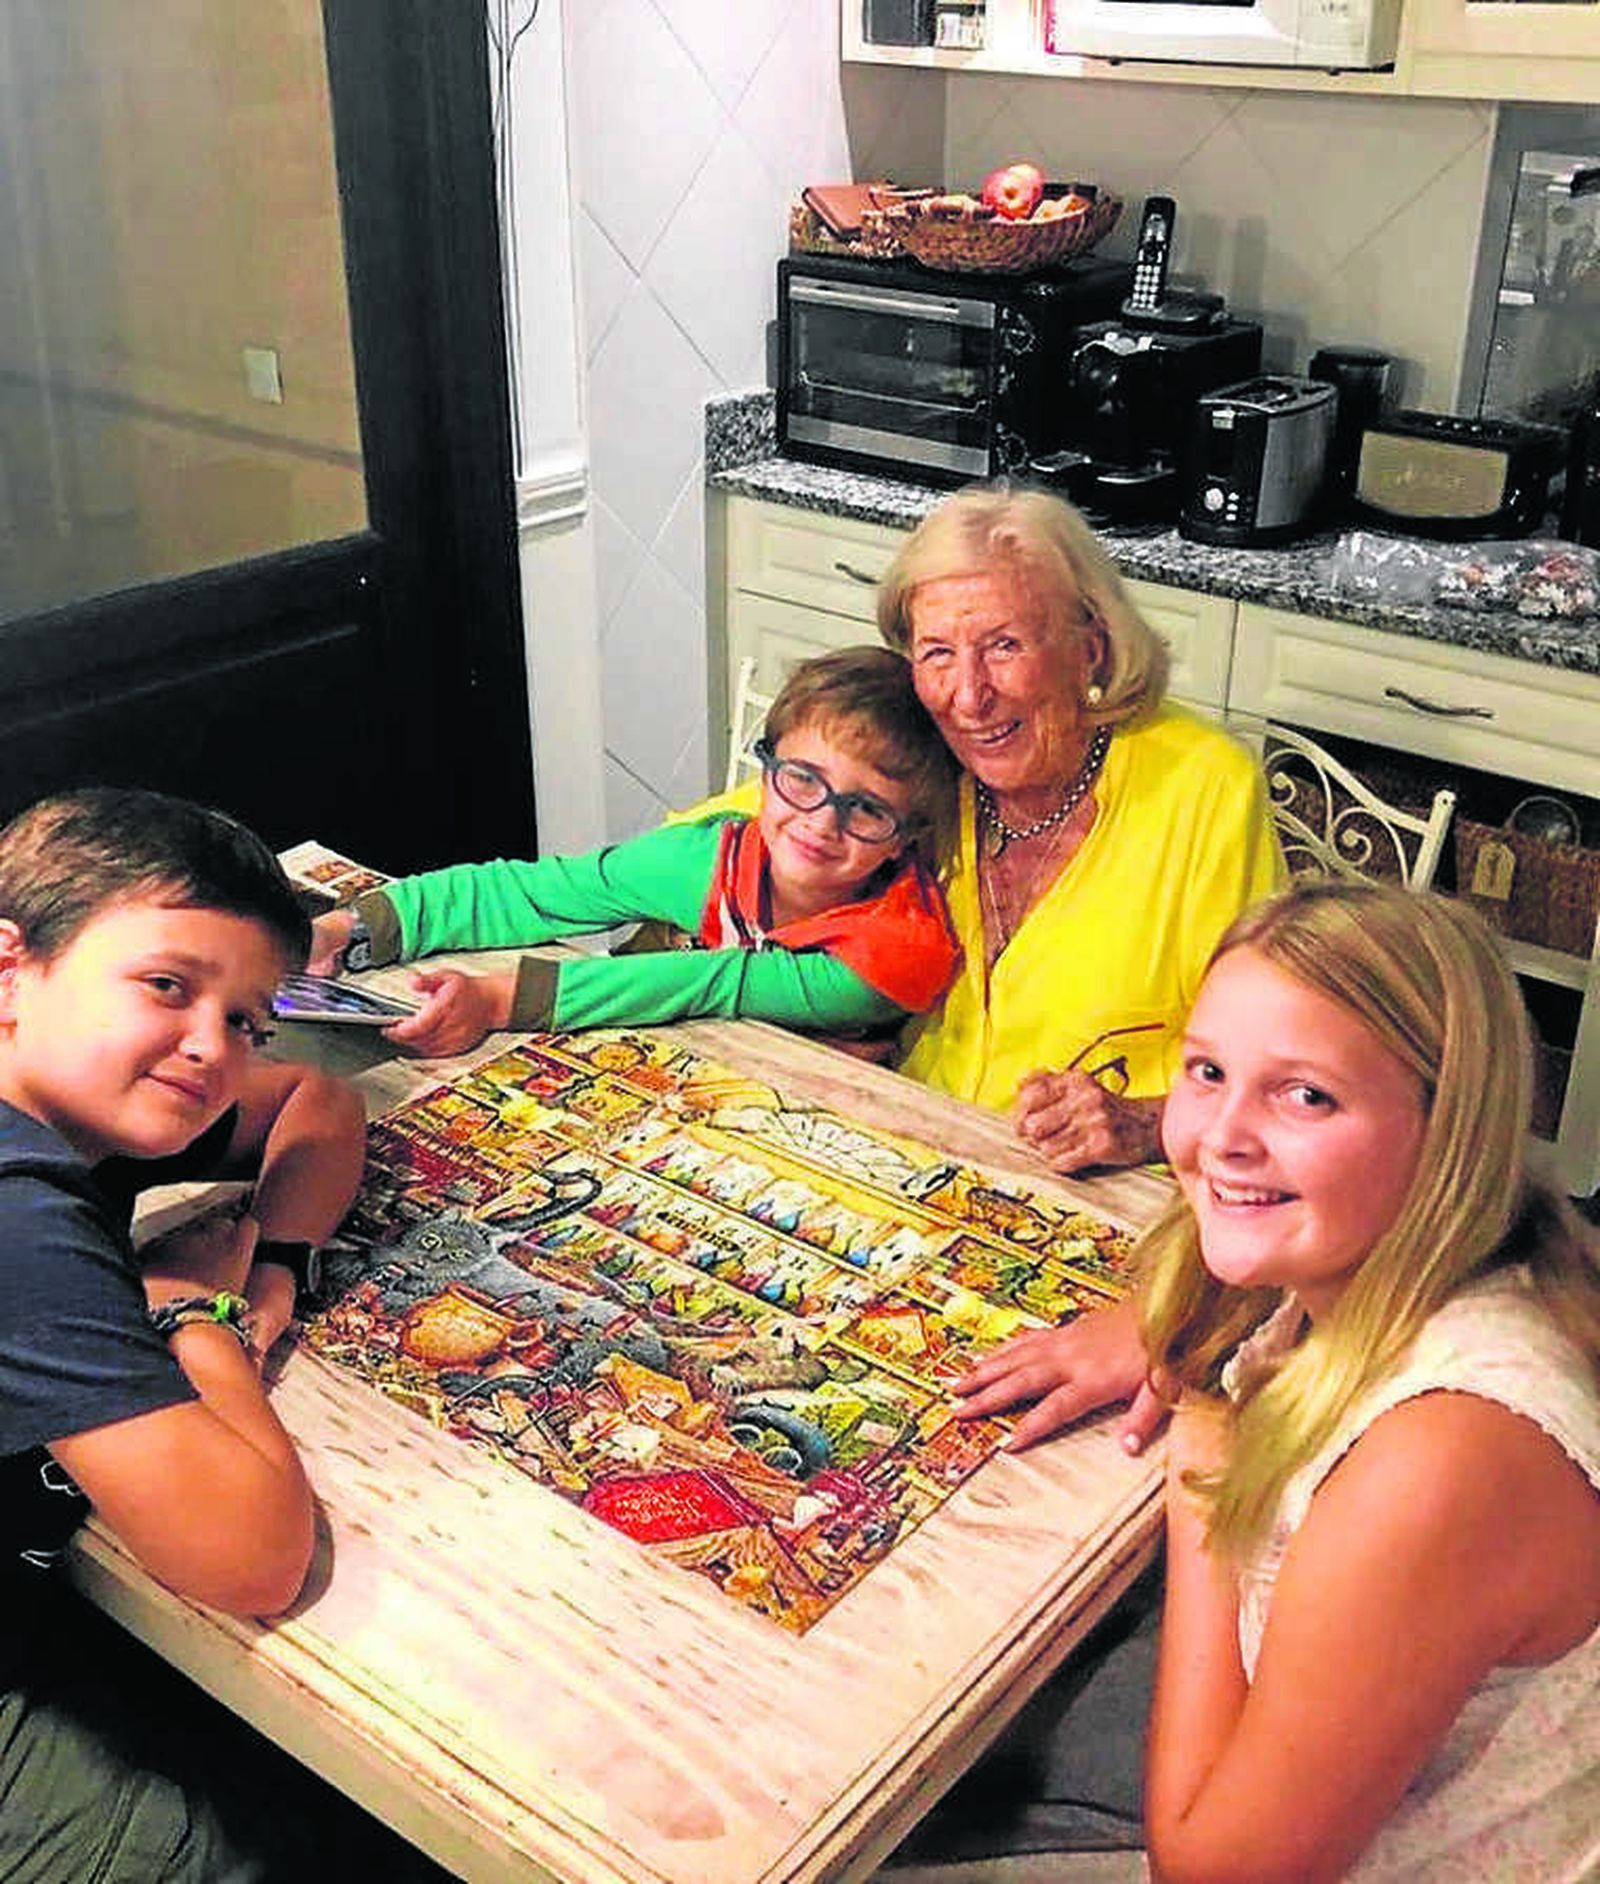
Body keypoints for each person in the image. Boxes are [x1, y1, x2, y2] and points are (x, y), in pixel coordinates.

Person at [1140, 879, 1599, 1879]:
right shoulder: (1412, 1262)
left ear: (1447, 1134)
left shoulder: (1445, 1456)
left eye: (1307, 1094)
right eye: (1207, 1070)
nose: (1223, 1135)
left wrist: (1200, 1491)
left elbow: (1211, 1873)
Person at [0, 786, 369, 1879]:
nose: (213, 1049)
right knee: (281, 1848)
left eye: (248, 1018)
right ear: (11, 967)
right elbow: (255, 1559)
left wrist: (279, 1265)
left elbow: (319, 1102)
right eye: (169, 986)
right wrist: (196, 1315)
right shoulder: (18, 1217)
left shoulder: (73, 1094)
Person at [876, 483, 1283, 1457]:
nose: (967, 696)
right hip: (900, 1195)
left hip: (1128, 1232)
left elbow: (1282, 1079)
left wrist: (1141, 1121)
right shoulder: (914, 771)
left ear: (1090, 646)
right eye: (937, 653)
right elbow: (724, 846)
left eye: (1004, 646)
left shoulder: (1203, 789)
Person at [308, 646, 961, 1059]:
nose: (822, 820)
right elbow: (535, 892)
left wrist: (498, 999)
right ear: (764, 770)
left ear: (908, 836)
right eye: (802, 779)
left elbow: (706, 982)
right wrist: (351, 928)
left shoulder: (897, 952)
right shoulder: (703, 862)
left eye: (867, 808)